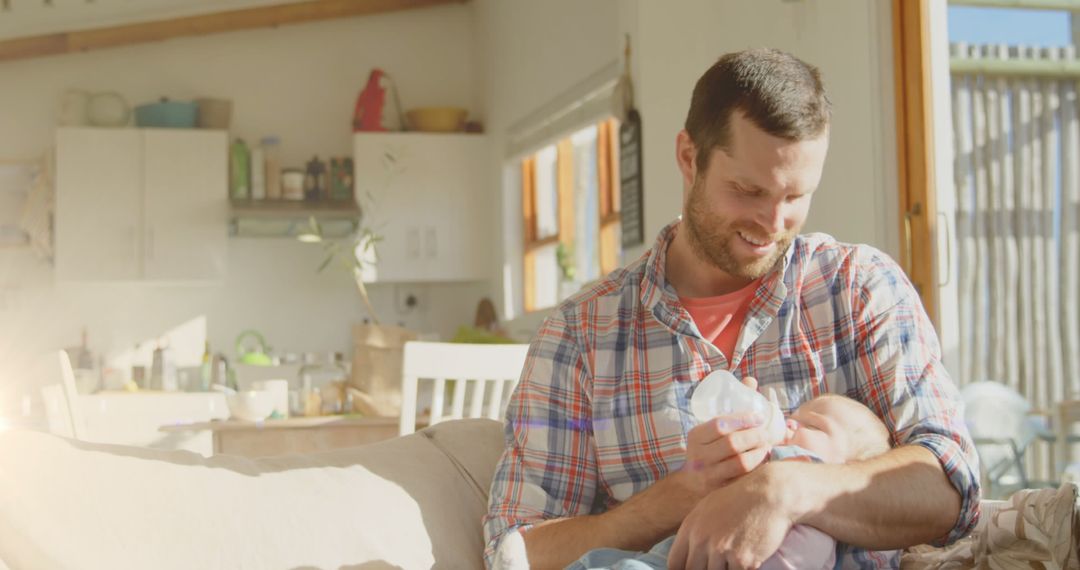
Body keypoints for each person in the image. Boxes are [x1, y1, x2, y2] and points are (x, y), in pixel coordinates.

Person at [483, 48, 980, 570]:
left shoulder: (858, 290)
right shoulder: (581, 335)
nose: (772, 222)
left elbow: (952, 486)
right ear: (688, 157)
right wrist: (678, 497)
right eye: (748, 190)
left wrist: (788, 488)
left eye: (796, 196)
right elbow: (517, 550)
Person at [565, 393, 894, 570]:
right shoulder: (762, 464)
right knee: (596, 560)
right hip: (660, 554)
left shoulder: (816, 523)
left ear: (846, 468)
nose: (791, 424)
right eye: (795, 416)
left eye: (814, 426)